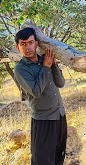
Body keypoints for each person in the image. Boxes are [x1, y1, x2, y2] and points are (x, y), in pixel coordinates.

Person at [14, 27, 67, 165]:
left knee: (58, 155)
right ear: (18, 47)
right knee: (42, 160)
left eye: (30, 42)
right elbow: (36, 92)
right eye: (23, 44)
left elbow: (61, 83)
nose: (28, 47)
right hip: (43, 120)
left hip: (59, 115)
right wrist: (46, 67)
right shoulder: (21, 69)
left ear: (36, 43)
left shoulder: (45, 60)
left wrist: (53, 65)